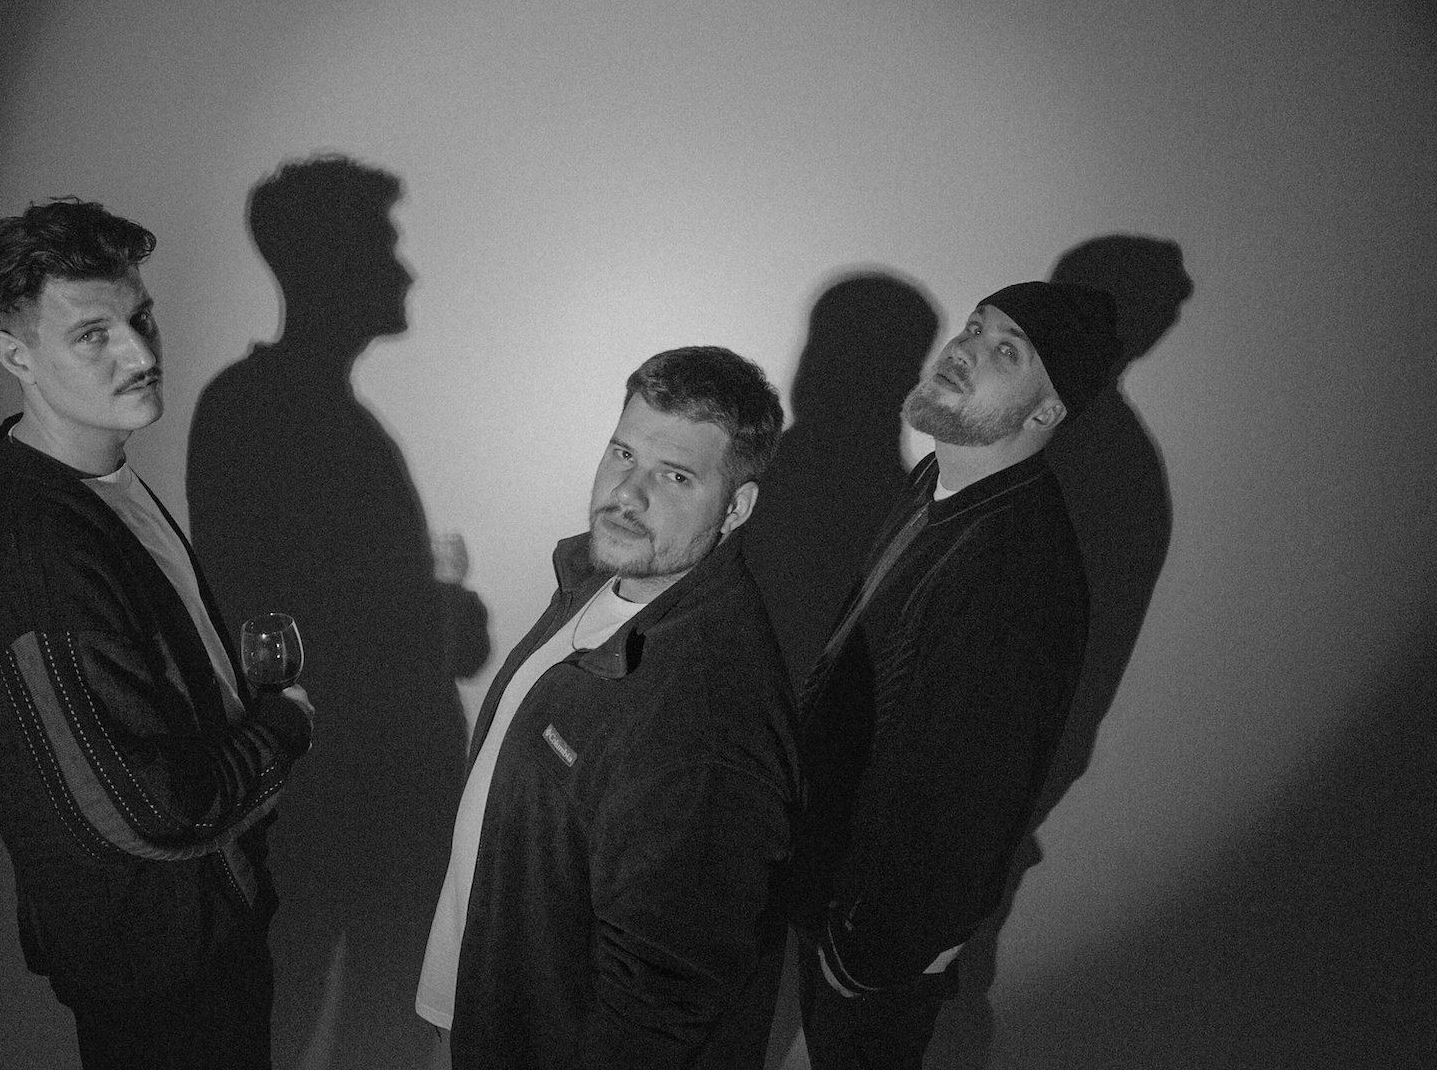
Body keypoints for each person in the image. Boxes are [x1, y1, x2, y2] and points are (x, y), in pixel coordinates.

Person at [0, 198, 314, 1069]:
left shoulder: (98, 478)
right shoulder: (39, 555)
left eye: (141, 319)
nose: (142, 355)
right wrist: (286, 727)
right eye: (93, 335)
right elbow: (153, 810)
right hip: (158, 969)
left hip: (201, 930)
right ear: (15, 356)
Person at [417, 346, 800, 1068]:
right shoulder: (601, 580)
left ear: (737, 507)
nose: (627, 493)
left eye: (675, 476)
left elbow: (658, 1007)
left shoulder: (709, 721)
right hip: (479, 1011)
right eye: (624, 453)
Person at [187, 157, 482, 1065]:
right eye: (384, 246)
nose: (406, 271)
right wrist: (433, 625)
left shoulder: (273, 411)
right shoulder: (270, 415)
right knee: (339, 1031)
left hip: (341, 803)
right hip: (344, 805)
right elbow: (270, 616)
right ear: (331, 263)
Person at [790, 281, 1118, 1067]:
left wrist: (863, 958)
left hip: (873, 941)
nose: (967, 347)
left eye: (1007, 350)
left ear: (1045, 412)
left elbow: (962, 810)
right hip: (831, 890)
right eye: (976, 326)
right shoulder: (938, 483)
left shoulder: (1017, 574)